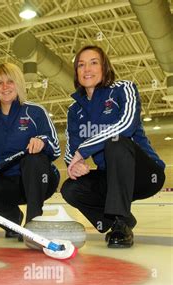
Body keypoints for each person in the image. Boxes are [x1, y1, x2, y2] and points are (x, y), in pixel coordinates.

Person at [61, 45, 165, 248]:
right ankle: (119, 222)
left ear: (105, 67)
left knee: (116, 141)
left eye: (93, 63)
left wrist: (84, 151)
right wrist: (74, 165)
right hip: (111, 178)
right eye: (81, 65)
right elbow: (72, 151)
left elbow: (126, 126)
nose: (86, 69)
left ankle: (120, 217)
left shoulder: (123, 89)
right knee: (71, 189)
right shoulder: (75, 109)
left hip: (143, 174)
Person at [0, 62, 60, 238]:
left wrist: (42, 142)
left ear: (19, 84)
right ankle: (13, 221)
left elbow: (55, 149)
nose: (5, 87)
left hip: (40, 179)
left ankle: (33, 222)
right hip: (8, 182)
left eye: (10, 81)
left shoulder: (35, 112)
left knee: (33, 158)